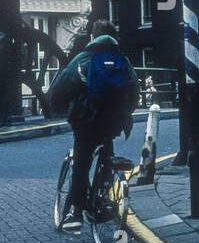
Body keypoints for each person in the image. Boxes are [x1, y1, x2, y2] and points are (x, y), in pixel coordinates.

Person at [47, 20, 139, 226]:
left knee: (81, 163)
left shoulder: (83, 59)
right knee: (107, 152)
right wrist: (124, 113)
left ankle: (76, 213)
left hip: (86, 120)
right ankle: (104, 197)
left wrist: (58, 108)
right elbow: (135, 91)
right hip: (114, 121)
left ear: (92, 37)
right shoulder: (122, 59)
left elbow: (59, 90)